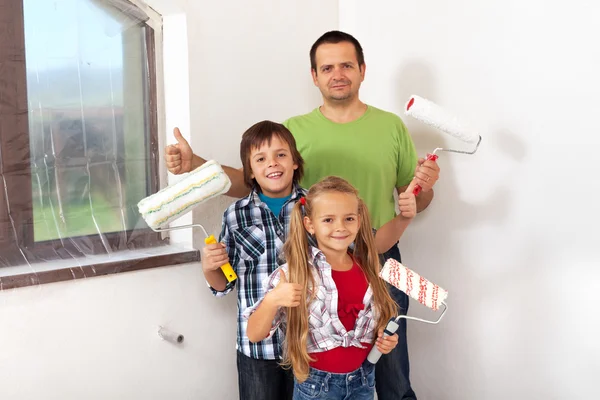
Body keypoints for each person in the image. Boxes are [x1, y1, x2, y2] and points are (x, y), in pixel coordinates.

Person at [165, 31, 441, 400]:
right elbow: (255, 182)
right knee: (322, 362)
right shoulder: (295, 130)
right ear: (314, 75)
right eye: (327, 67)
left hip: (381, 249)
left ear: (362, 70)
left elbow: (415, 199)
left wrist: (420, 192)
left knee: (392, 370)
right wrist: (195, 165)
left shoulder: (391, 126)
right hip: (317, 261)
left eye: (346, 65)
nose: (337, 73)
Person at [244, 176, 417, 400]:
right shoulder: (294, 274)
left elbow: (377, 322)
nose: (340, 228)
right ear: (310, 225)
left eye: (349, 219)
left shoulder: (371, 269)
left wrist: (386, 339)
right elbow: (254, 334)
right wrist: (272, 300)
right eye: (328, 220)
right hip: (316, 387)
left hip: (363, 382)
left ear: (359, 220)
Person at [201, 120, 305, 400]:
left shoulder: (315, 208)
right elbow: (223, 286)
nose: (272, 163)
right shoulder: (235, 215)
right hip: (258, 350)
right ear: (250, 171)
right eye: (261, 158)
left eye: (281, 154)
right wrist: (210, 267)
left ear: (295, 161)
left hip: (309, 343)